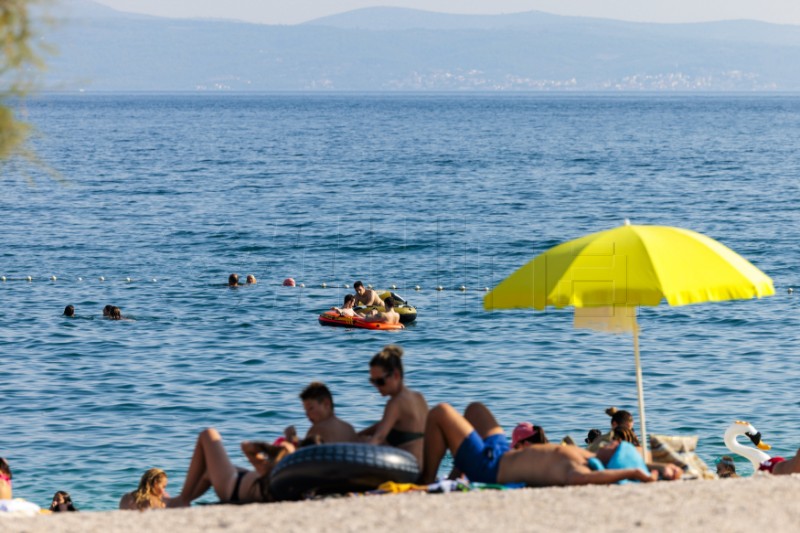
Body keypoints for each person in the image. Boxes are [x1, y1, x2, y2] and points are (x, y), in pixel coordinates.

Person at [419, 403, 682, 486]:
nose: (613, 443)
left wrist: (634, 473)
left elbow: (605, 474)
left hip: (491, 467)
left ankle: (427, 479)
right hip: (503, 452)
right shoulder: (585, 455)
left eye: (615, 448)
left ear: (613, 462)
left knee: (441, 413)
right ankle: (457, 472)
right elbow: (635, 459)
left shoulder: (580, 471)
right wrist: (657, 466)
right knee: (475, 410)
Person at [167, 428, 295, 507]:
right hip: (243, 480)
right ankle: (180, 500)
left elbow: (245, 446)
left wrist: (267, 448)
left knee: (208, 434)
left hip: (233, 487)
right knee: (207, 471)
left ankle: (182, 500)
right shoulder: (284, 477)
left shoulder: (268, 470)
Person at [359, 345, 428, 466]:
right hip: (423, 467)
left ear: (396, 375)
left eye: (380, 381)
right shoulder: (419, 397)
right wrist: (358, 434)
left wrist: (357, 457)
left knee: (363, 442)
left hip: (407, 471)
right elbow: (385, 424)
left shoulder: (395, 403)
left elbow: (379, 437)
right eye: (372, 381)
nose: (376, 386)